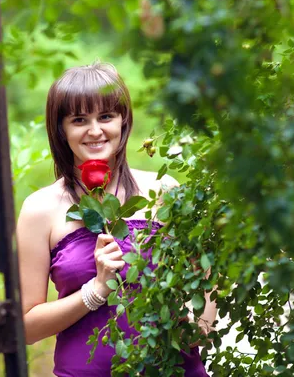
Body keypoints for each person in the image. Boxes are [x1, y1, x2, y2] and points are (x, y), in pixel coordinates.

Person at [17, 61, 216, 376]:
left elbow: (203, 279)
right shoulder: (39, 209)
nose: (95, 131)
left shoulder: (164, 191)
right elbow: (25, 328)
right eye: (79, 119)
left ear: (123, 121)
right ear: (61, 129)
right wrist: (94, 291)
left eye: (106, 116)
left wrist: (196, 327)